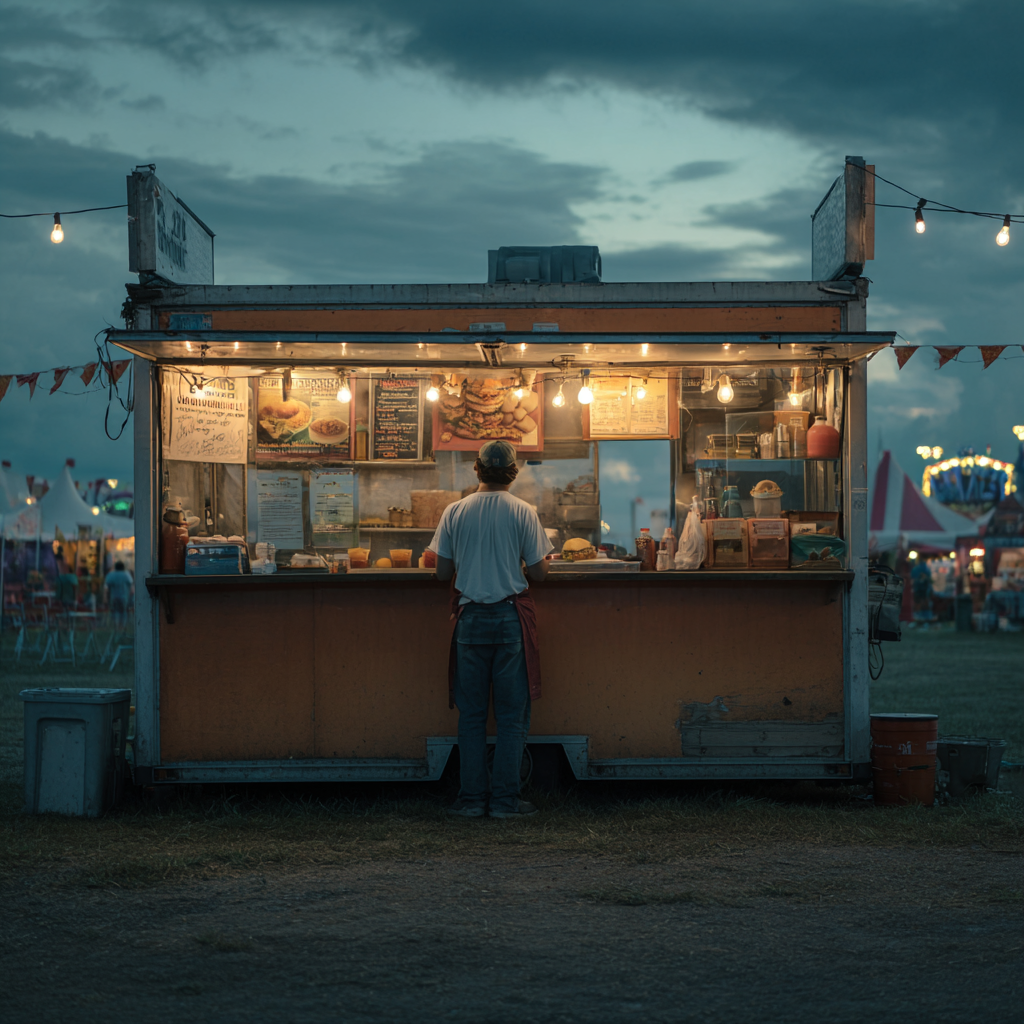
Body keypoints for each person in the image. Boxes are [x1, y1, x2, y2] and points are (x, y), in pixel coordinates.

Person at [429, 439, 552, 819]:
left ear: (477, 470)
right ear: (513, 474)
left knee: (471, 717)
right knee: (512, 716)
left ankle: (470, 801)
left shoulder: (455, 511)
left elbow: (442, 573)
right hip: (509, 620)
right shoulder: (524, 511)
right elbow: (540, 573)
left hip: (470, 622)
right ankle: (504, 802)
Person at [104, 560, 134, 628]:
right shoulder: (126, 574)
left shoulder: (111, 575)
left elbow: (106, 588)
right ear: (123, 567)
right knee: (124, 612)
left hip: (114, 597)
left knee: (115, 612)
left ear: (115, 567)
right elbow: (132, 588)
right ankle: (123, 627)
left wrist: (105, 598)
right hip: (124, 597)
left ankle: (116, 627)